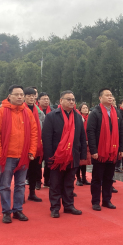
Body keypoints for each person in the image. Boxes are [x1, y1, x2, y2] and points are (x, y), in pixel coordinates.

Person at [0, 85, 38, 223]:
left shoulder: (27, 112)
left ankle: (18, 210)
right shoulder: (0, 112)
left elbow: (34, 133)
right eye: (16, 94)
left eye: (21, 95)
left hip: (23, 156)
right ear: (9, 96)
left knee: (20, 185)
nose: (19, 97)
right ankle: (6, 212)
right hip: (7, 156)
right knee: (5, 185)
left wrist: (32, 151)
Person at [43, 90, 87, 218]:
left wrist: (83, 155)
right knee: (55, 184)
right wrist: (49, 157)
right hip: (56, 157)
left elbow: (82, 137)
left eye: (73, 99)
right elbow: (46, 139)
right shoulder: (51, 116)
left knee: (69, 183)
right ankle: (55, 208)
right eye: (68, 99)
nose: (71, 102)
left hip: (73, 155)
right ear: (61, 101)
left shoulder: (78, 117)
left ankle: (68, 206)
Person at [86, 88, 123, 211]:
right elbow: (90, 132)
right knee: (97, 178)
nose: (110, 97)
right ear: (100, 98)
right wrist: (93, 150)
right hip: (100, 151)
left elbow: (122, 131)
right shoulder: (95, 113)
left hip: (113, 151)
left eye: (111, 95)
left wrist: (121, 147)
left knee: (109, 178)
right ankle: (95, 201)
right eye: (107, 95)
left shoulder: (116, 112)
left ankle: (107, 200)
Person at [24, 87, 45, 202]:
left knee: (34, 170)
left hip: (36, 144)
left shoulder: (38, 111)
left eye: (33, 96)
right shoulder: (21, 109)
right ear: (24, 97)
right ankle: (20, 194)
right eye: (29, 96)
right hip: (23, 144)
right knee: (22, 171)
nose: (31, 98)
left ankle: (32, 193)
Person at [38, 92, 52, 188]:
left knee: (49, 161)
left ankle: (47, 180)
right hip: (38, 140)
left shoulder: (53, 111)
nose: (46, 101)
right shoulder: (36, 111)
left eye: (47, 99)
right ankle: (37, 181)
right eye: (44, 99)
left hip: (48, 140)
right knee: (38, 162)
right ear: (38, 100)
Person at [76, 102, 92, 186]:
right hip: (80, 142)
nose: (85, 109)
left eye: (86, 108)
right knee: (79, 161)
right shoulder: (78, 118)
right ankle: (78, 178)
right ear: (80, 109)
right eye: (83, 108)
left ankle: (84, 178)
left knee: (85, 161)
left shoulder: (90, 118)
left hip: (88, 142)